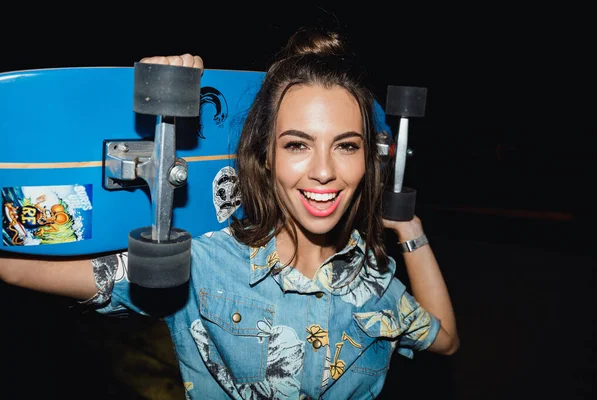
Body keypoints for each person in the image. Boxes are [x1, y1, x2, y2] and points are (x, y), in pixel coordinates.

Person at [0, 27, 459, 399]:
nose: (324, 171)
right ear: (266, 156)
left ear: (366, 161)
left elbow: (446, 339)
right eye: (297, 144)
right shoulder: (200, 265)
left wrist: (409, 229)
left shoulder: (375, 282)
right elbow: (16, 266)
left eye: (346, 146)